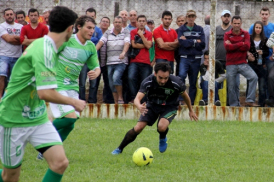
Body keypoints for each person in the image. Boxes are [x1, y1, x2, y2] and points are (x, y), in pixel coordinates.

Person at [0, 6, 82, 182]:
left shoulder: (50, 45)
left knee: (60, 163)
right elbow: (45, 93)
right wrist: (73, 102)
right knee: (10, 178)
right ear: (70, 29)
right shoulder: (44, 50)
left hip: (37, 117)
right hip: (13, 118)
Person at [37, 15, 101, 160]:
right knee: (70, 117)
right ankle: (40, 133)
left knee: (70, 124)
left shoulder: (90, 46)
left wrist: (95, 73)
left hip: (73, 88)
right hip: (57, 84)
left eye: (93, 29)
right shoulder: (67, 40)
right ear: (79, 27)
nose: (92, 31)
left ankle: (45, 150)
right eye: (89, 28)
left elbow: (96, 67)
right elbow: (48, 54)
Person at [111, 62, 198, 155]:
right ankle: (119, 148)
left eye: (166, 78)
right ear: (155, 73)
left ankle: (162, 137)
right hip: (152, 105)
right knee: (138, 128)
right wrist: (139, 106)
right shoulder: (148, 81)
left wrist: (191, 110)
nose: (163, 81)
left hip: (170, 106)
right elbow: (137, 99)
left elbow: (185, 96)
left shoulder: (176, 82)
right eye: (160, 78)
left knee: (161, 127)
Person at [224, 15, 258, 107]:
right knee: (231, 86)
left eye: (238, 23)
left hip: (242, 63)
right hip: (230, 64)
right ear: (231, 24)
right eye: (235, 23)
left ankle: (250, 100)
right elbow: (227, 48)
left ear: (241, 24)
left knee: (253, 77)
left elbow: (247, 46)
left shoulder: (246, 33)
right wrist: (240, 43)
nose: (237, 25)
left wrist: (233, 44)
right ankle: (234, 105)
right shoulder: (227, 34)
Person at [96, 16, 130, 104]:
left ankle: (120, 98)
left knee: (116, 78)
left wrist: (123, 52)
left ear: (122, 24)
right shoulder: (108, 32)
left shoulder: (126, 32)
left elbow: (127, 42)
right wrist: (94, 50)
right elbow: (101, 42)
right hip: (110, 62)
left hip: (121, 61)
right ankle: (116, 102)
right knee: (111, 83)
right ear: (113, 23)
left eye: (119, 22)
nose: (117, 24)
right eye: (116, 22)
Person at [178, 10, 205, 105]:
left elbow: (202, 44)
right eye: (189, 16)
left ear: (195, 17)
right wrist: (195, 41)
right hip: (184, 57)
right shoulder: (181, 29)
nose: (191, 18)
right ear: (186, 17)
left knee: (193, 81)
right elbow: (182, 43)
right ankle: (181, 99)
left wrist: (188, 41)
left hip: (196, 58)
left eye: (193, 16)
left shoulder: (200, 29)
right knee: (181, 76)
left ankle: (191, 102)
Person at [79, 7, 103, 103]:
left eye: (92, 17)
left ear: (95, 17)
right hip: (83, 60)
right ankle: (81, 100)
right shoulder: (81, 30)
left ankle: (92, 101)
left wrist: (89, 40)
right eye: (88, 17)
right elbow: (85, 40)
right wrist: (94, 40)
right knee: (82, 82)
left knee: (93, 83)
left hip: (93, 59)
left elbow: (100, 41)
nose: (90, 19)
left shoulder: (98, 30)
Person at [128, 15, 153, 102]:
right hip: (134, 61)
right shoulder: (133, 32)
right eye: (140, 21)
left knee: (144, 81)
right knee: (131, 77)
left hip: (146, 62)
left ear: (145, 23)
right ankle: (134, 97)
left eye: (143, 21)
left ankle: (143, 100)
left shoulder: (149, 33)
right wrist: (145, 44)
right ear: (137, 22)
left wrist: (142, 36)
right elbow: (134, 45)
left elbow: (149, 46)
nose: (141, 23)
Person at [0, 8, 22, 98]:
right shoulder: (1, 26)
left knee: (14, 78)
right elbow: (8, 39)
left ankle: (11, 97)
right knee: (1, 75)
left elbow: (22, 40)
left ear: (14, 15)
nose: (9, 16)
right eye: (7, 15)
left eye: (11, 14)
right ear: (4, 16)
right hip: (4, 55)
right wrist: (19, 39)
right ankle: (0, 97)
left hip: (17, 56)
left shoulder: (21, 27)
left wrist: (15, 39)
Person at [247, 21, 268, 107]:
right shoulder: (249, 38)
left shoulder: (265, 39)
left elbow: (267, 52)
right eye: (256, 27)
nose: (258, 29)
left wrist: (262, 52)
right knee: (250, 83)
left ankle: (261, 104)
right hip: (251, 65)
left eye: (260, 28)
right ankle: (249, 101)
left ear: (262, 29)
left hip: (261, 65)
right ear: (254, 28)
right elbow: (246, 49)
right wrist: (248, 55)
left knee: (262, 85)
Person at [98, 16, 114, 103]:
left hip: (107, 62)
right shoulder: (96, 32)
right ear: (100, 23)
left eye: (107, 22)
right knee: (95, 82)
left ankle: (107, 100)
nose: (104, 23)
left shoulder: (110, 34)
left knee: (107, 82)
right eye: (103, 21)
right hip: (96, 61)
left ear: (109, 24)